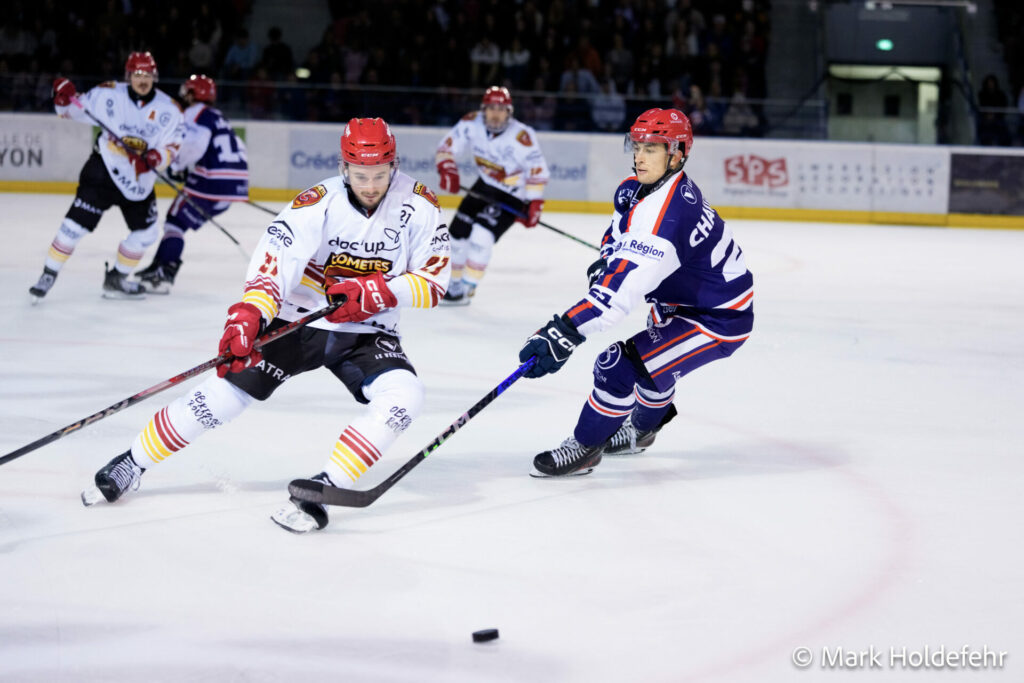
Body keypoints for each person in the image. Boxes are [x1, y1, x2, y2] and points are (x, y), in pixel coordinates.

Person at [80, 118, 452, 534]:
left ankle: (325, 487)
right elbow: (274, 264)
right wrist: (250, 314)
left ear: (394, 166)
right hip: (297, 320)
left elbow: (434, 281)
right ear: (344, 167)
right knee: (222, 396)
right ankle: (133, 461)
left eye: (380, 175)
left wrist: (376, 294)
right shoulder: (317, 202)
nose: (370, 185)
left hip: (368, 331)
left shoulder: (419, 204)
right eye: (361, 175)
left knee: (406, 395)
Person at [517, 108, 753, 477]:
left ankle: (585, 448)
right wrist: (607, 259)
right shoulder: (636, 188)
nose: (640, 156)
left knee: (617, 367)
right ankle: (642, 432)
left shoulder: (667, 217)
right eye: (637, 145)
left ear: (677, 153)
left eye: (653, 148)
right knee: (656, 368)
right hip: (678, 301)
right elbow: (617, 232)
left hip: (717, 318)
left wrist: (564, 330)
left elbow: (615, 300)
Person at [28, 51, 184, 302]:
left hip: (138, 182)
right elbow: (70, 109)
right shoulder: (108, 94)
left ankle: (116, 280)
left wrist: (155, 158)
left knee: (146, 234)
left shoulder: (170, 109)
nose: (142, 80)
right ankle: (48, 274)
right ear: (129, 75)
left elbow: (173, 146)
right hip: (103, 171)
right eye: (137, 74)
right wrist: (61, 95)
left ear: (154, 77)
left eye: (147, 75)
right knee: (73, 226)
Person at [434, 85, 550, 305]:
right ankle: (453, 285)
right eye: (491, 108)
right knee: (456, 236)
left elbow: (537, 168)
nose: (496, 114)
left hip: (513, 194)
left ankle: (467, 287)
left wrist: (535, 202)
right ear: (483, 110)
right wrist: (447, 168)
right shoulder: (471, 123)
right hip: (485, 186)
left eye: (501, 109)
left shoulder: (522, 136)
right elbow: (446, 147)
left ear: (509, 112)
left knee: (481, 237)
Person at [135, 74, 249, 293]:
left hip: (211, 181)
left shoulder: (193, 113)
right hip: (234, 185)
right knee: (177, 222)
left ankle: (163, 274)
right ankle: (158, 265)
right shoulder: (218, 116)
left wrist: (175, 165)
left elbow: (194, 145)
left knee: (175, 224)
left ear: (191, 93)